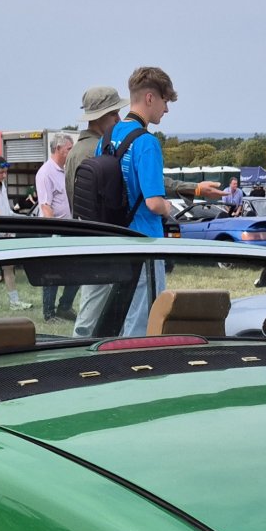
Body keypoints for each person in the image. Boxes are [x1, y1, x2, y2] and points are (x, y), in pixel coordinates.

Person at [104, 66, 223, 333]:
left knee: (119, 317)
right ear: (149, 98)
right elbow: (154, 202)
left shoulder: (109, 136)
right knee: (143, 317)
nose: (166, 110)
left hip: (115, 237)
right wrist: (169, 207)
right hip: (145, 240)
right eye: (165, 101)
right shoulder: (146, 142)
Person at [67, 85, 128, 337]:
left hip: (87, 237)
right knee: (90, 315)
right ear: (103, 117)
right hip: (100, 239)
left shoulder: (76, 150)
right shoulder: (96, 150)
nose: (119, 119)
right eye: (114, 114)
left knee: (94, 306)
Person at [34, 136, 77, 321]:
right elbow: (46, 206)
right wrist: (55, 230)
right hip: (54, 230)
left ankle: (65, 306)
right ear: (58, 149)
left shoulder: (65, 170)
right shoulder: (46, 173)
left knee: (76, 271)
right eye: (69, 148)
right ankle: (49, 313)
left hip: (69, 229)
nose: (71, 151)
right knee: (53, 273)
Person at [0, 155, 33, 311]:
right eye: (1, 172)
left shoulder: (2, 186)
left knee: (9, 268)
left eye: (6, 172)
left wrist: (25, 218)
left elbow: (7, 211)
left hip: (6, 234)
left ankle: (14, 301)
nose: (4, 176)